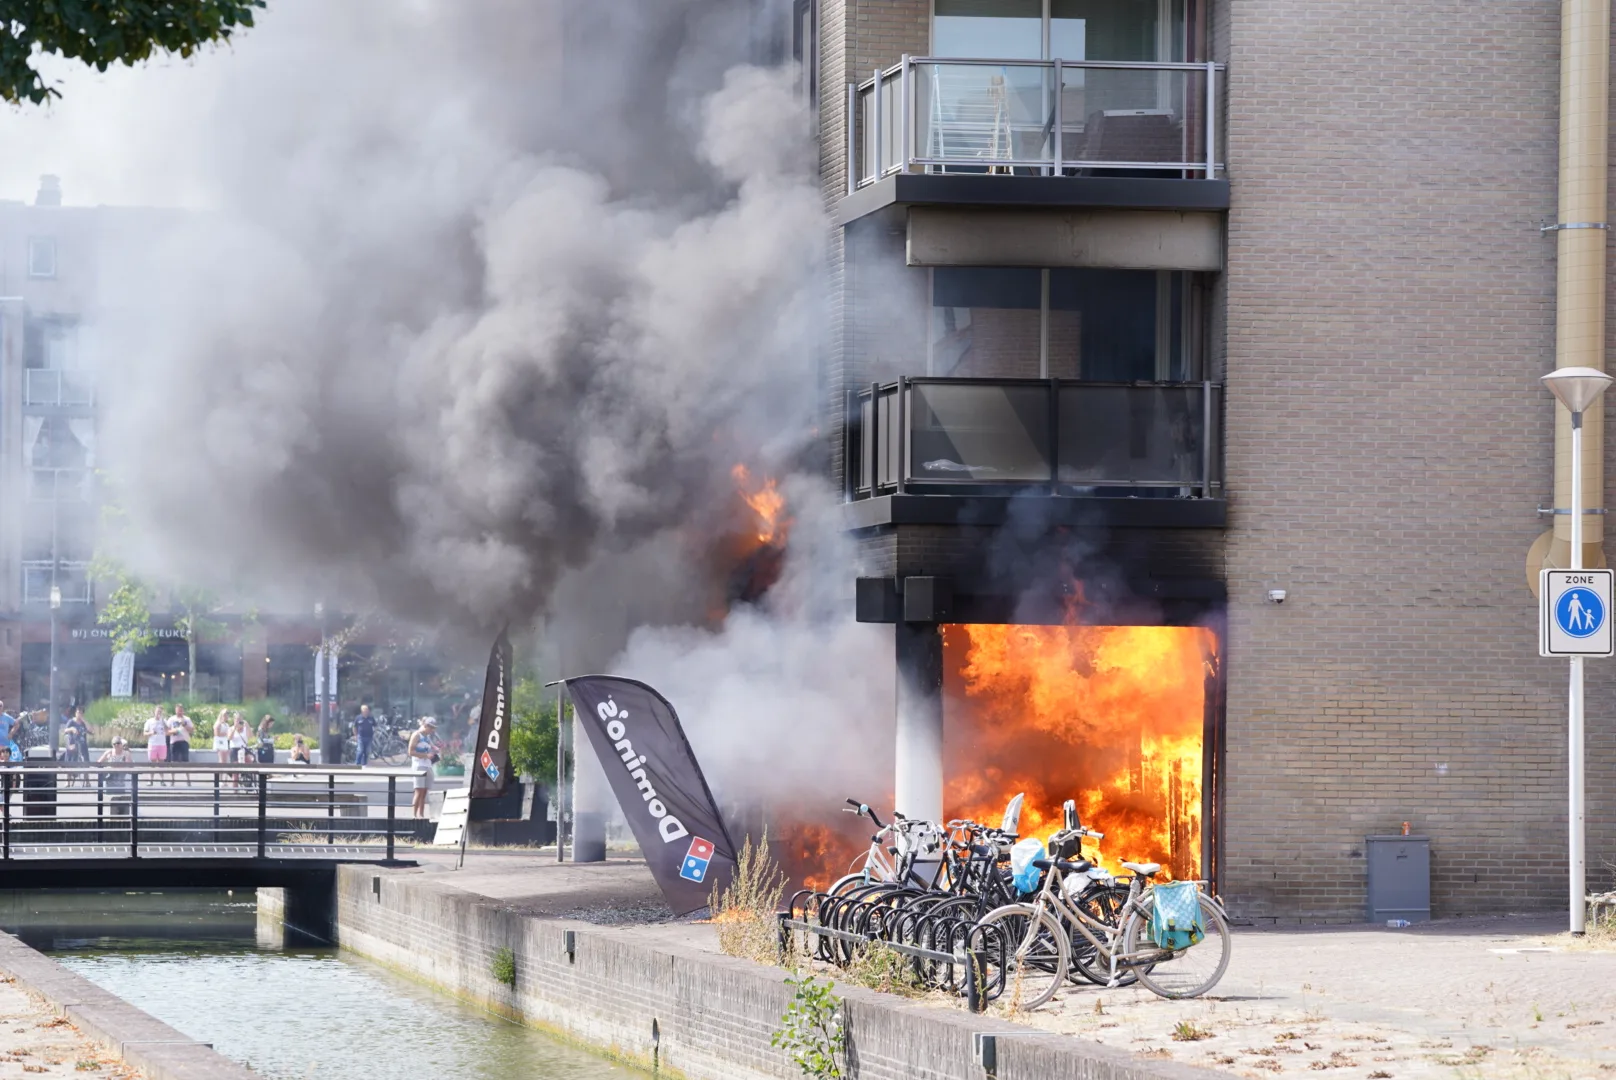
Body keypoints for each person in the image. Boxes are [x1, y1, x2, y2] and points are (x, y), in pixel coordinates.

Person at [408, 717, 440, 819]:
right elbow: (411, 752)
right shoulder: (416, 735)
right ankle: (414, 815)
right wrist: (426, 756)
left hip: (427, 765)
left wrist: (435, 749)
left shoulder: (427, 736)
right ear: (425, 726)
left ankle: (421, 815)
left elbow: (431, 746)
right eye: (431, 728)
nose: (432, 730)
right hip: (419, 765)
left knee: (425, 792)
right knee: (419, 791)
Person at [98, 736, 133, 810]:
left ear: (121, 744)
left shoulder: (126, 753)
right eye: (114, 744)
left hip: (121, 781)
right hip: (109, 780)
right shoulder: (109, 752)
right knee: (109, 801)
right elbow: (99, 762)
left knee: (121, 801)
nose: (116, 745)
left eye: (118, 743)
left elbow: (129, 765)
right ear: (112, 745)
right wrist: (106, 766)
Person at [144, 705, 169, 781]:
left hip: (162, 744)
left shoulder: (164, 721)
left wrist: (163, 721)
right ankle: (150, 780)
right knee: (152, 763)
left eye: (160, 712)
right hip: (153, 744)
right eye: (158, 711)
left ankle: (162, 780)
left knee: (161, 763)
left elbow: (168, 730)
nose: (159, 713)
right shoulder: (149, 721)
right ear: (154, 712)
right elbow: (144, 733)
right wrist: (151, 733)